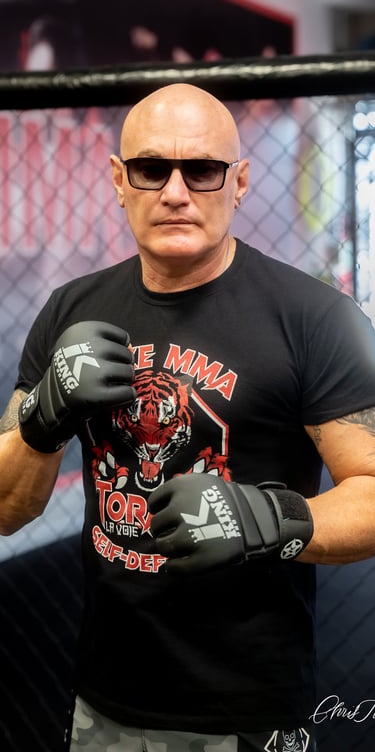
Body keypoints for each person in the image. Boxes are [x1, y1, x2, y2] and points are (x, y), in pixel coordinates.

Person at [1, 83, 375, 752]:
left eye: (201, 170)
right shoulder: (68, 311)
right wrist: (41, 415)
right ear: (120, 180)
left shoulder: (316, 320)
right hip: (104, 697)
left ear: (238, 182)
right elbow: (7, 506)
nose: (175, 191)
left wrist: (270, 520)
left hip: (247, 708)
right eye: (151, 168)